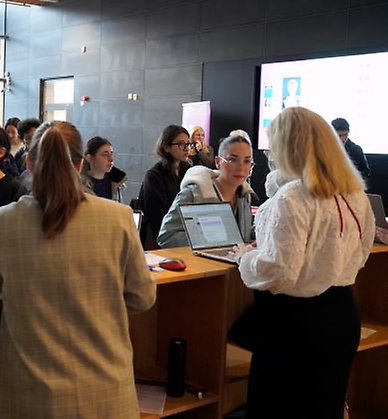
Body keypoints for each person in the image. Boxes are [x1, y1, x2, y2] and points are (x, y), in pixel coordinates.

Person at [0, 120, 155, 418]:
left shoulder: (0, 223)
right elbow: (142, 297)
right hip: (108, 395)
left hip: (31, 399)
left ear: (29, 164)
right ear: (80, 164)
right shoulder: (119, 218)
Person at [236, 107, 375, 419]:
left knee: (277, 408)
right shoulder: (355, 195)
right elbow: (361, 252)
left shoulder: (292, 198)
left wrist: (245, 258)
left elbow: (279, 272)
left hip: (295, 324)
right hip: (342, 315)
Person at [158, 135, 255, 248]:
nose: (241, 167)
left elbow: (242, 236)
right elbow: (166, 236)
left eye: (247, 161)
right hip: (199, 259)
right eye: (232, 160)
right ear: (218, 162)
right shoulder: (195, 192)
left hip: (236, 259)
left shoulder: (244, 195)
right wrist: (207, 243)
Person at [137, 125, 191, 249]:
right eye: (181, 144)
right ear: (166, 147)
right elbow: (158, 215)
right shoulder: (154, 175)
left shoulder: (188, 171)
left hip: (185, 233)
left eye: (188, 144)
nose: (186, 148)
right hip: (162, 237)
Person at [82, 136, 128, 202]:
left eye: (111, 154)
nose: (111, 159)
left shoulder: (114, 183)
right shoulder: (79, 186)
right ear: (90, 158)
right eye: (105, 154)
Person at [331, 117, 370, 183]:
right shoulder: (323, 149)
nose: (343, 139)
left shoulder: (356, 149)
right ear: (332, 134)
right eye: (339, 135)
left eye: (345, 134)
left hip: (351, 185)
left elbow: (365, 171)